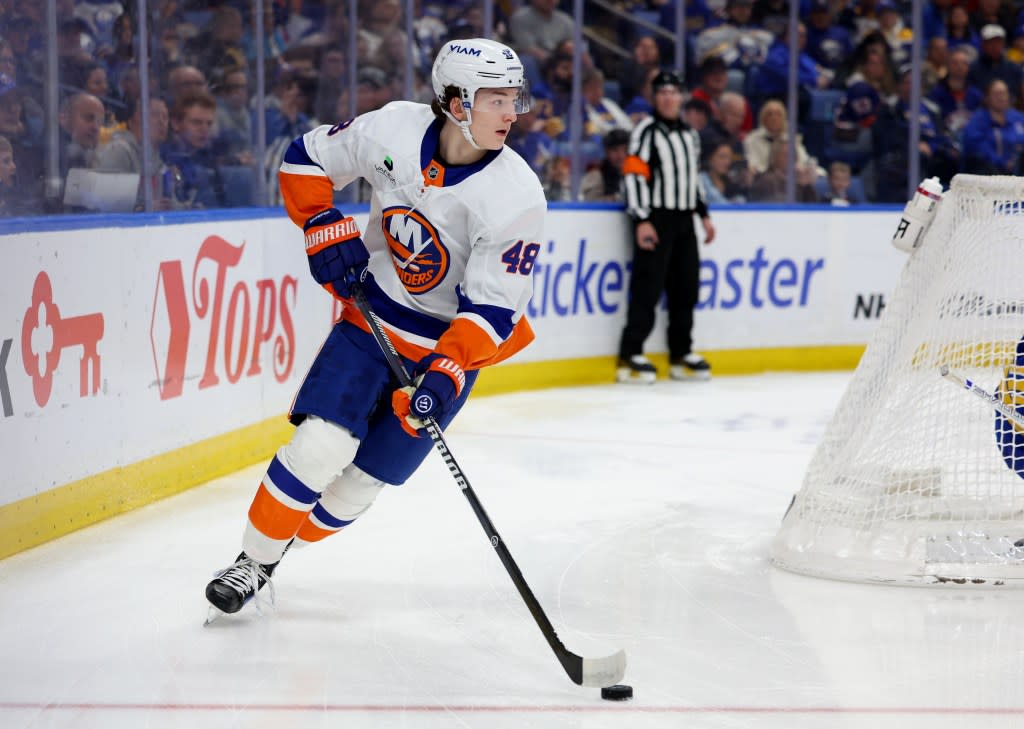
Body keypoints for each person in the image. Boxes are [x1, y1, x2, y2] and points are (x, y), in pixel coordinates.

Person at [203, 38, 546, 618]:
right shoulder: (392, 130)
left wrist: (447, 371)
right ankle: (252, 562)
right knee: (320, 446)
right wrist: (319, 221)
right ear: (456, 103)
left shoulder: (516, 196)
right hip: (373, 319)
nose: (512, 112)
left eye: (515, 98)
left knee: (361, 486)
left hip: (446, 349)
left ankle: (281, 548)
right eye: (495, 99)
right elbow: (305, 157)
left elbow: (493, 310)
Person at [617, 70, 716, 385]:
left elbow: (693, 178)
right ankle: (631, 353)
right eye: (662, 92)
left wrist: (703, 214)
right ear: (655, 97)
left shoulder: (690, 134)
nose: (668, 98)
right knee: (648, 287)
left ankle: (680, 353)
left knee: (686, 288)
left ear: (682, 97)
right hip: (657, 218)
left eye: (673, 92)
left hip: (684, 219)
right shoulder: (646, 131)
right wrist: (642, 218)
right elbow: (634, 173)